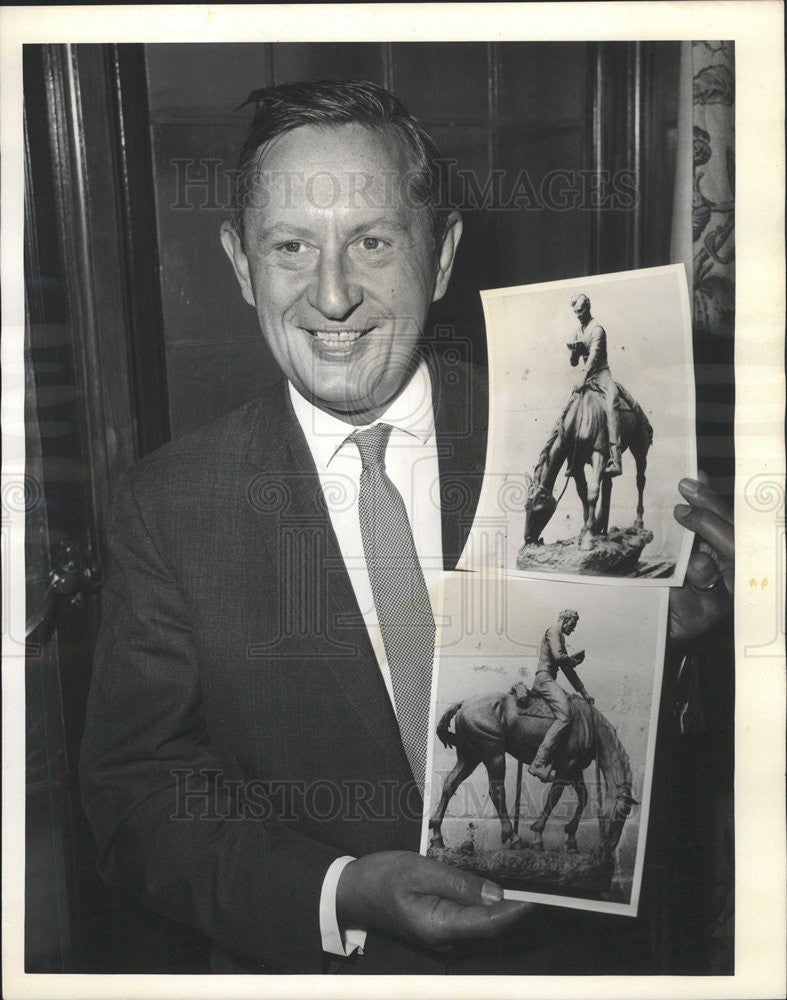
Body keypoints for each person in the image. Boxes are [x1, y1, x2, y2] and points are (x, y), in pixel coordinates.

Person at [80, 79, 734, 975]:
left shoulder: (546, 448)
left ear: (440, 254)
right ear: (240, 264)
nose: (333, 295)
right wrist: (335, 889)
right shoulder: (166, 506)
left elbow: (648, 752)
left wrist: (698, 648)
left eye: (374, 242)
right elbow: (136, 797)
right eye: (291, 246)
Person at [528, 610, 592, 783]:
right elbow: (559, 657)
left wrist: (584, 692)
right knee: (565, 715)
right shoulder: (553, 631)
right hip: (544, 680)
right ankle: (538, 763)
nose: (573, 629)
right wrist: (574, 661)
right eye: (572, 624)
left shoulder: (559, 636)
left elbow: (566, 668)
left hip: (549, 680)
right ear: (564, 620)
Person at [566, 293, 623, 476]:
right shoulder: (578, 331)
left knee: (612, 404)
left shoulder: (597, 330)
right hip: (588, 379)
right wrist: (575, 352)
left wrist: (582, 375)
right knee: (569, 409)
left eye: (580, 311)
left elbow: (593, 357)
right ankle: (573, 460)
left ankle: (616, 460)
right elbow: (574, 363)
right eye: (575, 312)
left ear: (588, 308)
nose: (578, 315)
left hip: (602, 376)